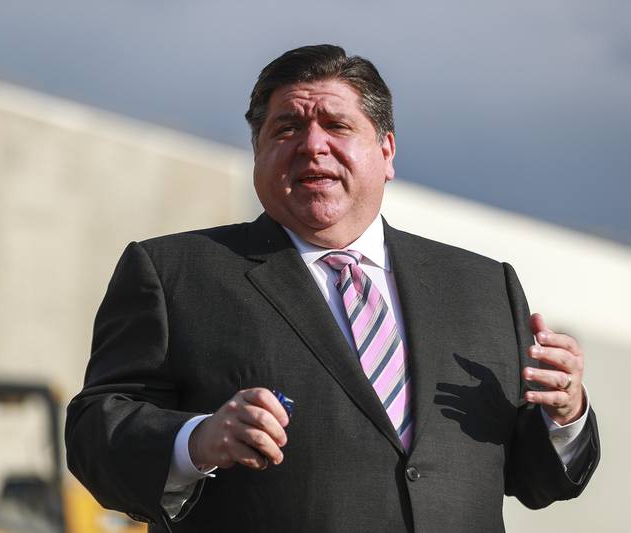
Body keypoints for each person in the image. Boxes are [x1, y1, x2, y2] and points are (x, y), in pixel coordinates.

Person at [65, 44, 599, 533]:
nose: (312, 145)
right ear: (258, 154)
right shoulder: (175, 272)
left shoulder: (482, 287)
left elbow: (533, 480)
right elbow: (95, 433)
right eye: (286, 128)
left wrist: (564, 417)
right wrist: (198, 440)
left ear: (386, 152)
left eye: (337, 126)